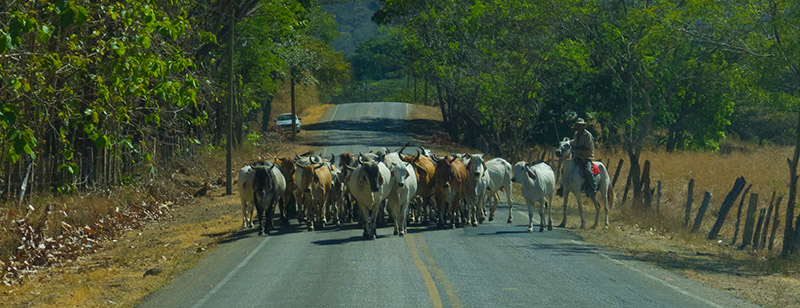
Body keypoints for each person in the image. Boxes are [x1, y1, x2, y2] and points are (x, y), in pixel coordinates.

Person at [572, 118, 597, 194]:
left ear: (583, 126)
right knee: (565, 168)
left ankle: (593, 187)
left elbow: (588, 147)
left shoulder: (588, 135)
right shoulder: (575, 134)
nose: (579, 127)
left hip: (586, 157)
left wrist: (576, 148)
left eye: (581, 125)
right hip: (576, 156)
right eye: (578, 125)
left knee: (588, 171)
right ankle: (563, 186)